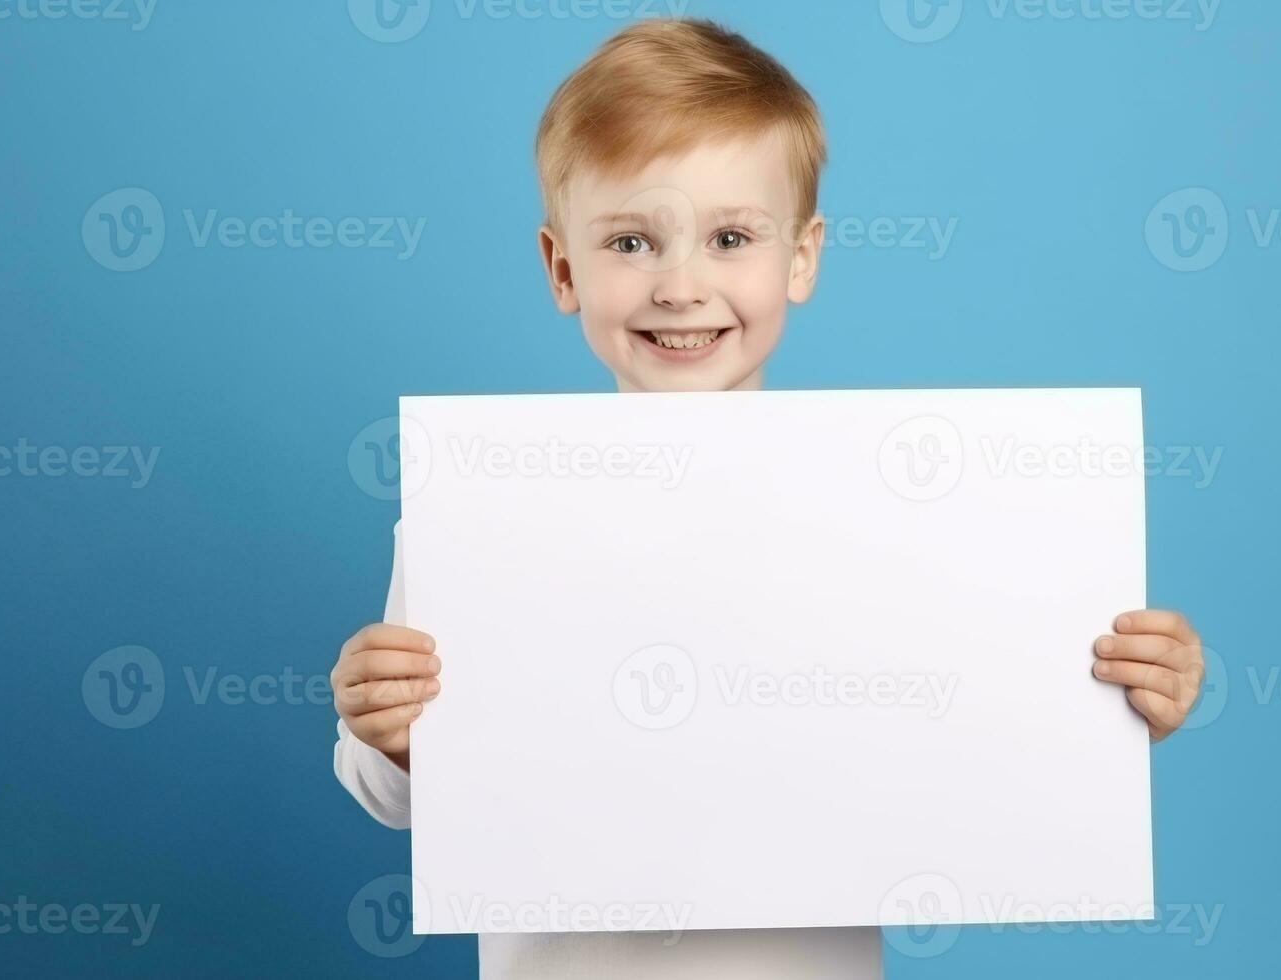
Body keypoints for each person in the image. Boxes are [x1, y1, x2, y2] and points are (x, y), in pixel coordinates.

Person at [331, 17, 1206, 979]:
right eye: (631, 241)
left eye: (730, 237)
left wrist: (1124, 697)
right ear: (562, 269)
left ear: (801, 258)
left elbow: (982, 722)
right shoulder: (477, 520)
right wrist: (391, 733)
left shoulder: (898, 516)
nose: (681, 285)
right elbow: (394, 795)